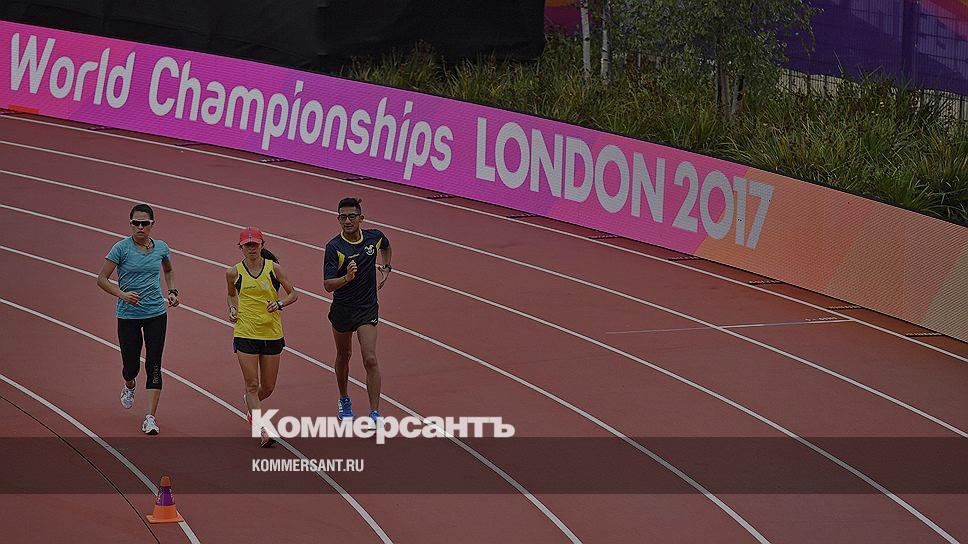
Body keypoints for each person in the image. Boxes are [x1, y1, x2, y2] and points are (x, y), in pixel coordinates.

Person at [97, 204, 179, 435]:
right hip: (128, 316)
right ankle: (129, 384)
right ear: (130, 224)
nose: (140, 227)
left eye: (144, 223)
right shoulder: (121, 249)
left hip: (156, 314)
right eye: (136, 223)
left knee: (154, 364)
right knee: (131, 366)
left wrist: (173, 291)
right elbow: (101, 279)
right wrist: (122, 294)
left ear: (152, 224)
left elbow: (168, 270)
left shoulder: (161, 247)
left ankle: (150, 418)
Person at [227, 227, 298, 447]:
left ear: (262, 245)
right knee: (252, 384)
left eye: (255, 244)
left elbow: (293, 294)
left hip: (271, 333)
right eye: (247, 245)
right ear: (241, 248)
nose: (251, 249)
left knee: (267, 387)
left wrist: (279, 303)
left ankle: (251, 401)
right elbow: (231, 295)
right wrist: (232, 309)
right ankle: (262, 429)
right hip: (245, 332)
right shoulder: (233, 272)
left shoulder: (274, 269)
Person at [323, 197, 392, 423]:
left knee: (370, 358)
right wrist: (346, 277)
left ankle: (374, 413)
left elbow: (386, 245)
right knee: (344, 356)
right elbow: (327, 285)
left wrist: (386, 266)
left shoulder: (374, 237)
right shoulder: (334, 247)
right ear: (338, 219)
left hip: (366, 308)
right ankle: (344, 399)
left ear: (361, 218)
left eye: (352, 216)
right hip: (343, 310)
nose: (347, 221)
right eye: (343, 217)